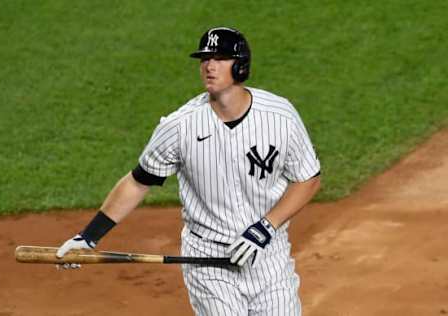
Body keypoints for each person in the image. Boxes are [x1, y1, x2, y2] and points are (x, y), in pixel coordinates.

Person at [57, 26, 321, 315]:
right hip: (209, 262)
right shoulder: (179, 127)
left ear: (241, 65)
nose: (209, 66)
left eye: (219, 58)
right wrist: (89, 236)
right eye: (204, 59)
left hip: (268, 256)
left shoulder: (280, 116)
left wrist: (266, 227)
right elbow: (137, 182)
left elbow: (307, 178)